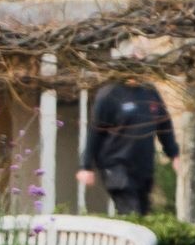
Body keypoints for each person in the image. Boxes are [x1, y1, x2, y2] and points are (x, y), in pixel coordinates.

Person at [76, 79, 179, 216]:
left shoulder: (149, 92)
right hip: (116, 166)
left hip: (143, 166)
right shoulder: (109, 94)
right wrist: (86, 166)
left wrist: (174, 154)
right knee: (131, 210)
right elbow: (95, 132)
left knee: (143, 213)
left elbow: (164, 125)